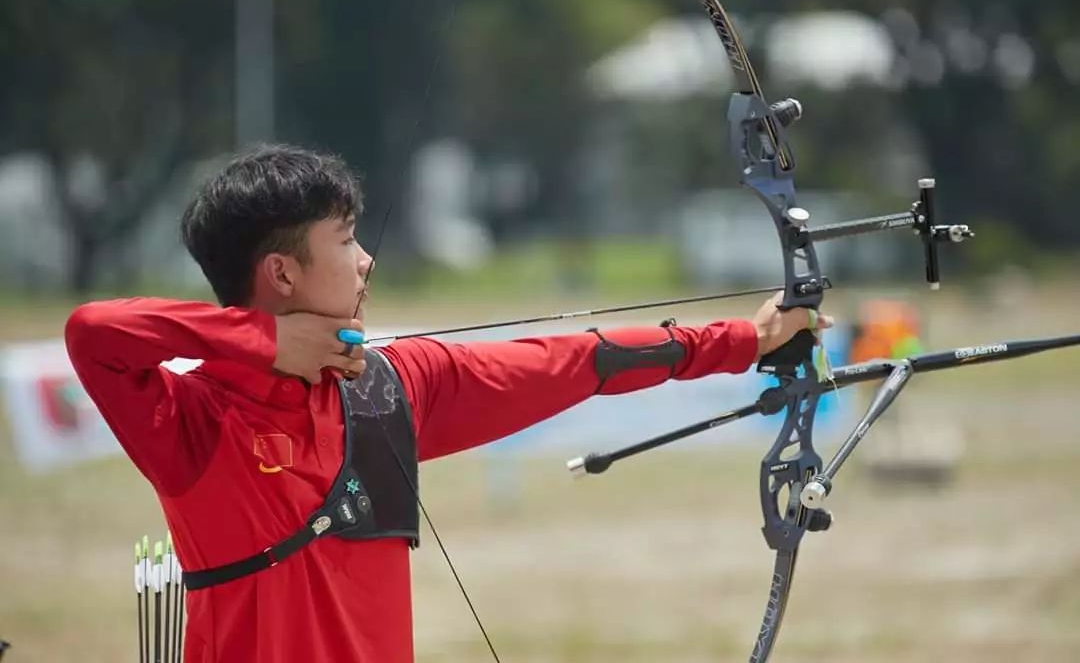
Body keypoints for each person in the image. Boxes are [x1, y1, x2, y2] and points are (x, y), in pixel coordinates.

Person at [64, 144, 832, 663]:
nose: (365, 260)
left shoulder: (391, 387)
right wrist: (268, 344)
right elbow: (94, 331)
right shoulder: (192, 423)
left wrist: (742, 340)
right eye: (345, 239)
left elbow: (576, 360)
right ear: (282, 274)